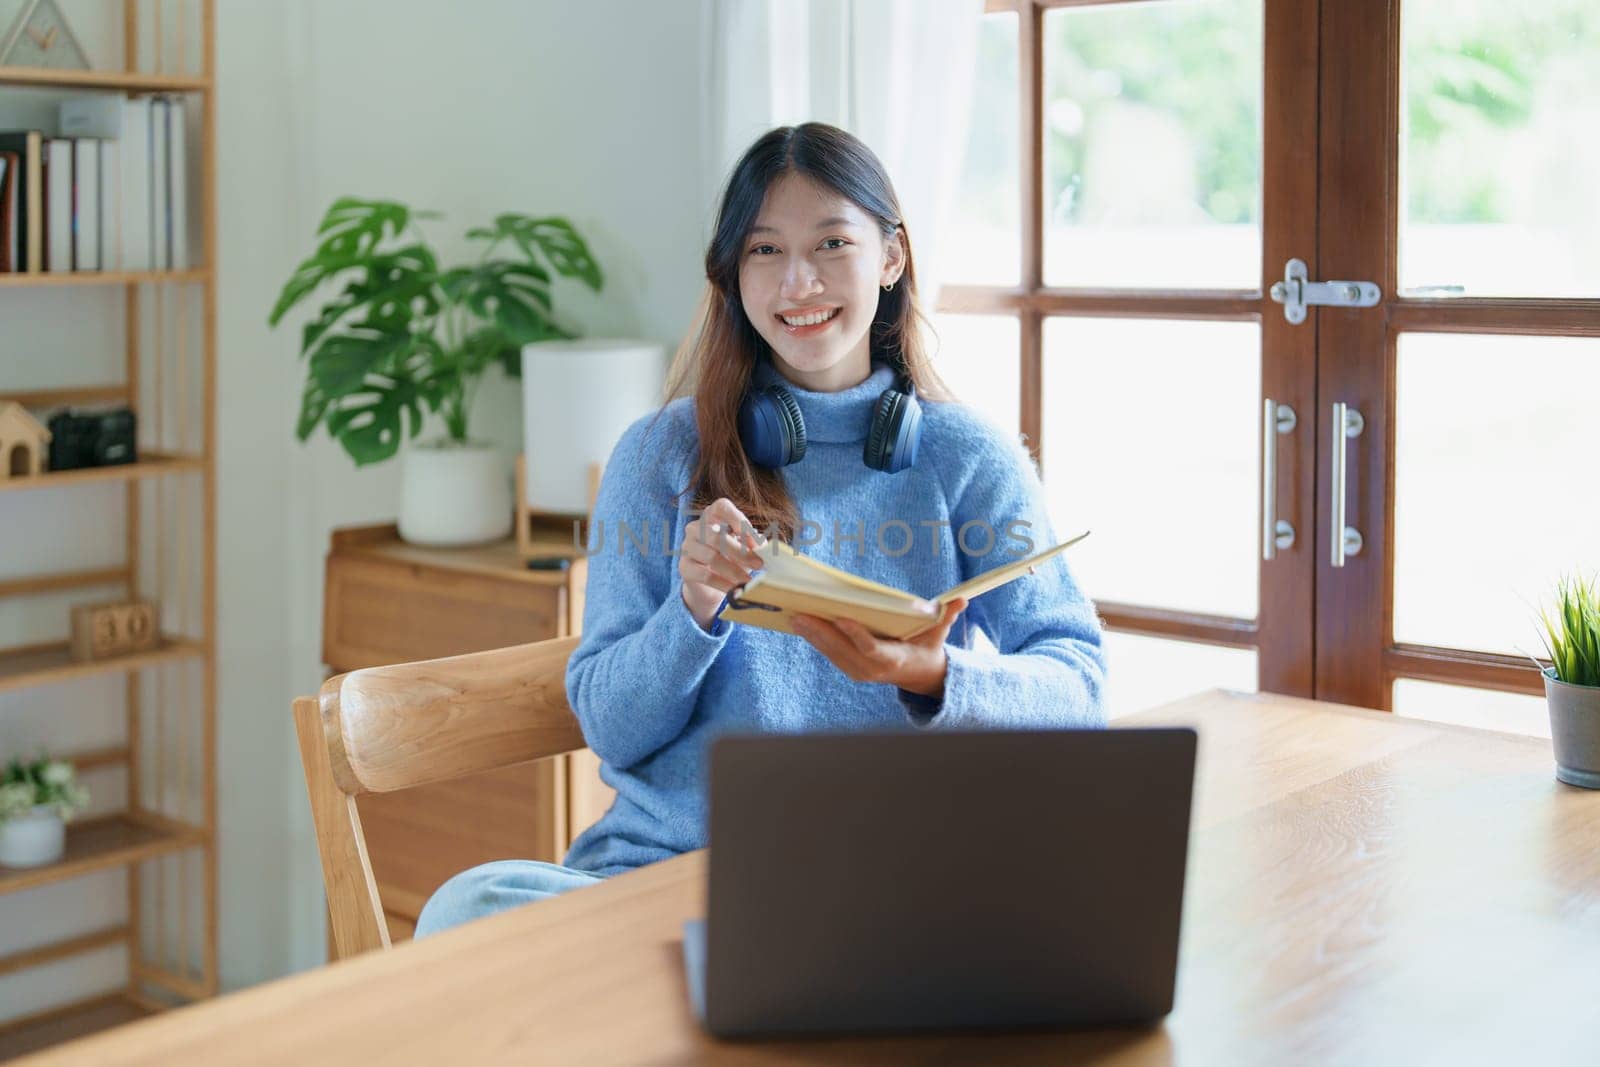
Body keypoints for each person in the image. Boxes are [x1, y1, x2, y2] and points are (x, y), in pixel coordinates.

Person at [414, 122, 1105, 938]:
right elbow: (609, 721)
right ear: (733, 275)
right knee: (467, 907)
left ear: (891, 257)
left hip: (882, 882)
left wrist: (935, 674)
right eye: (764, 251)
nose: (797, 282)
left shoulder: (966, 457)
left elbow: (1080, 686)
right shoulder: (659, 455)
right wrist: (692, 610)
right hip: (666, 883)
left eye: (832, 242)